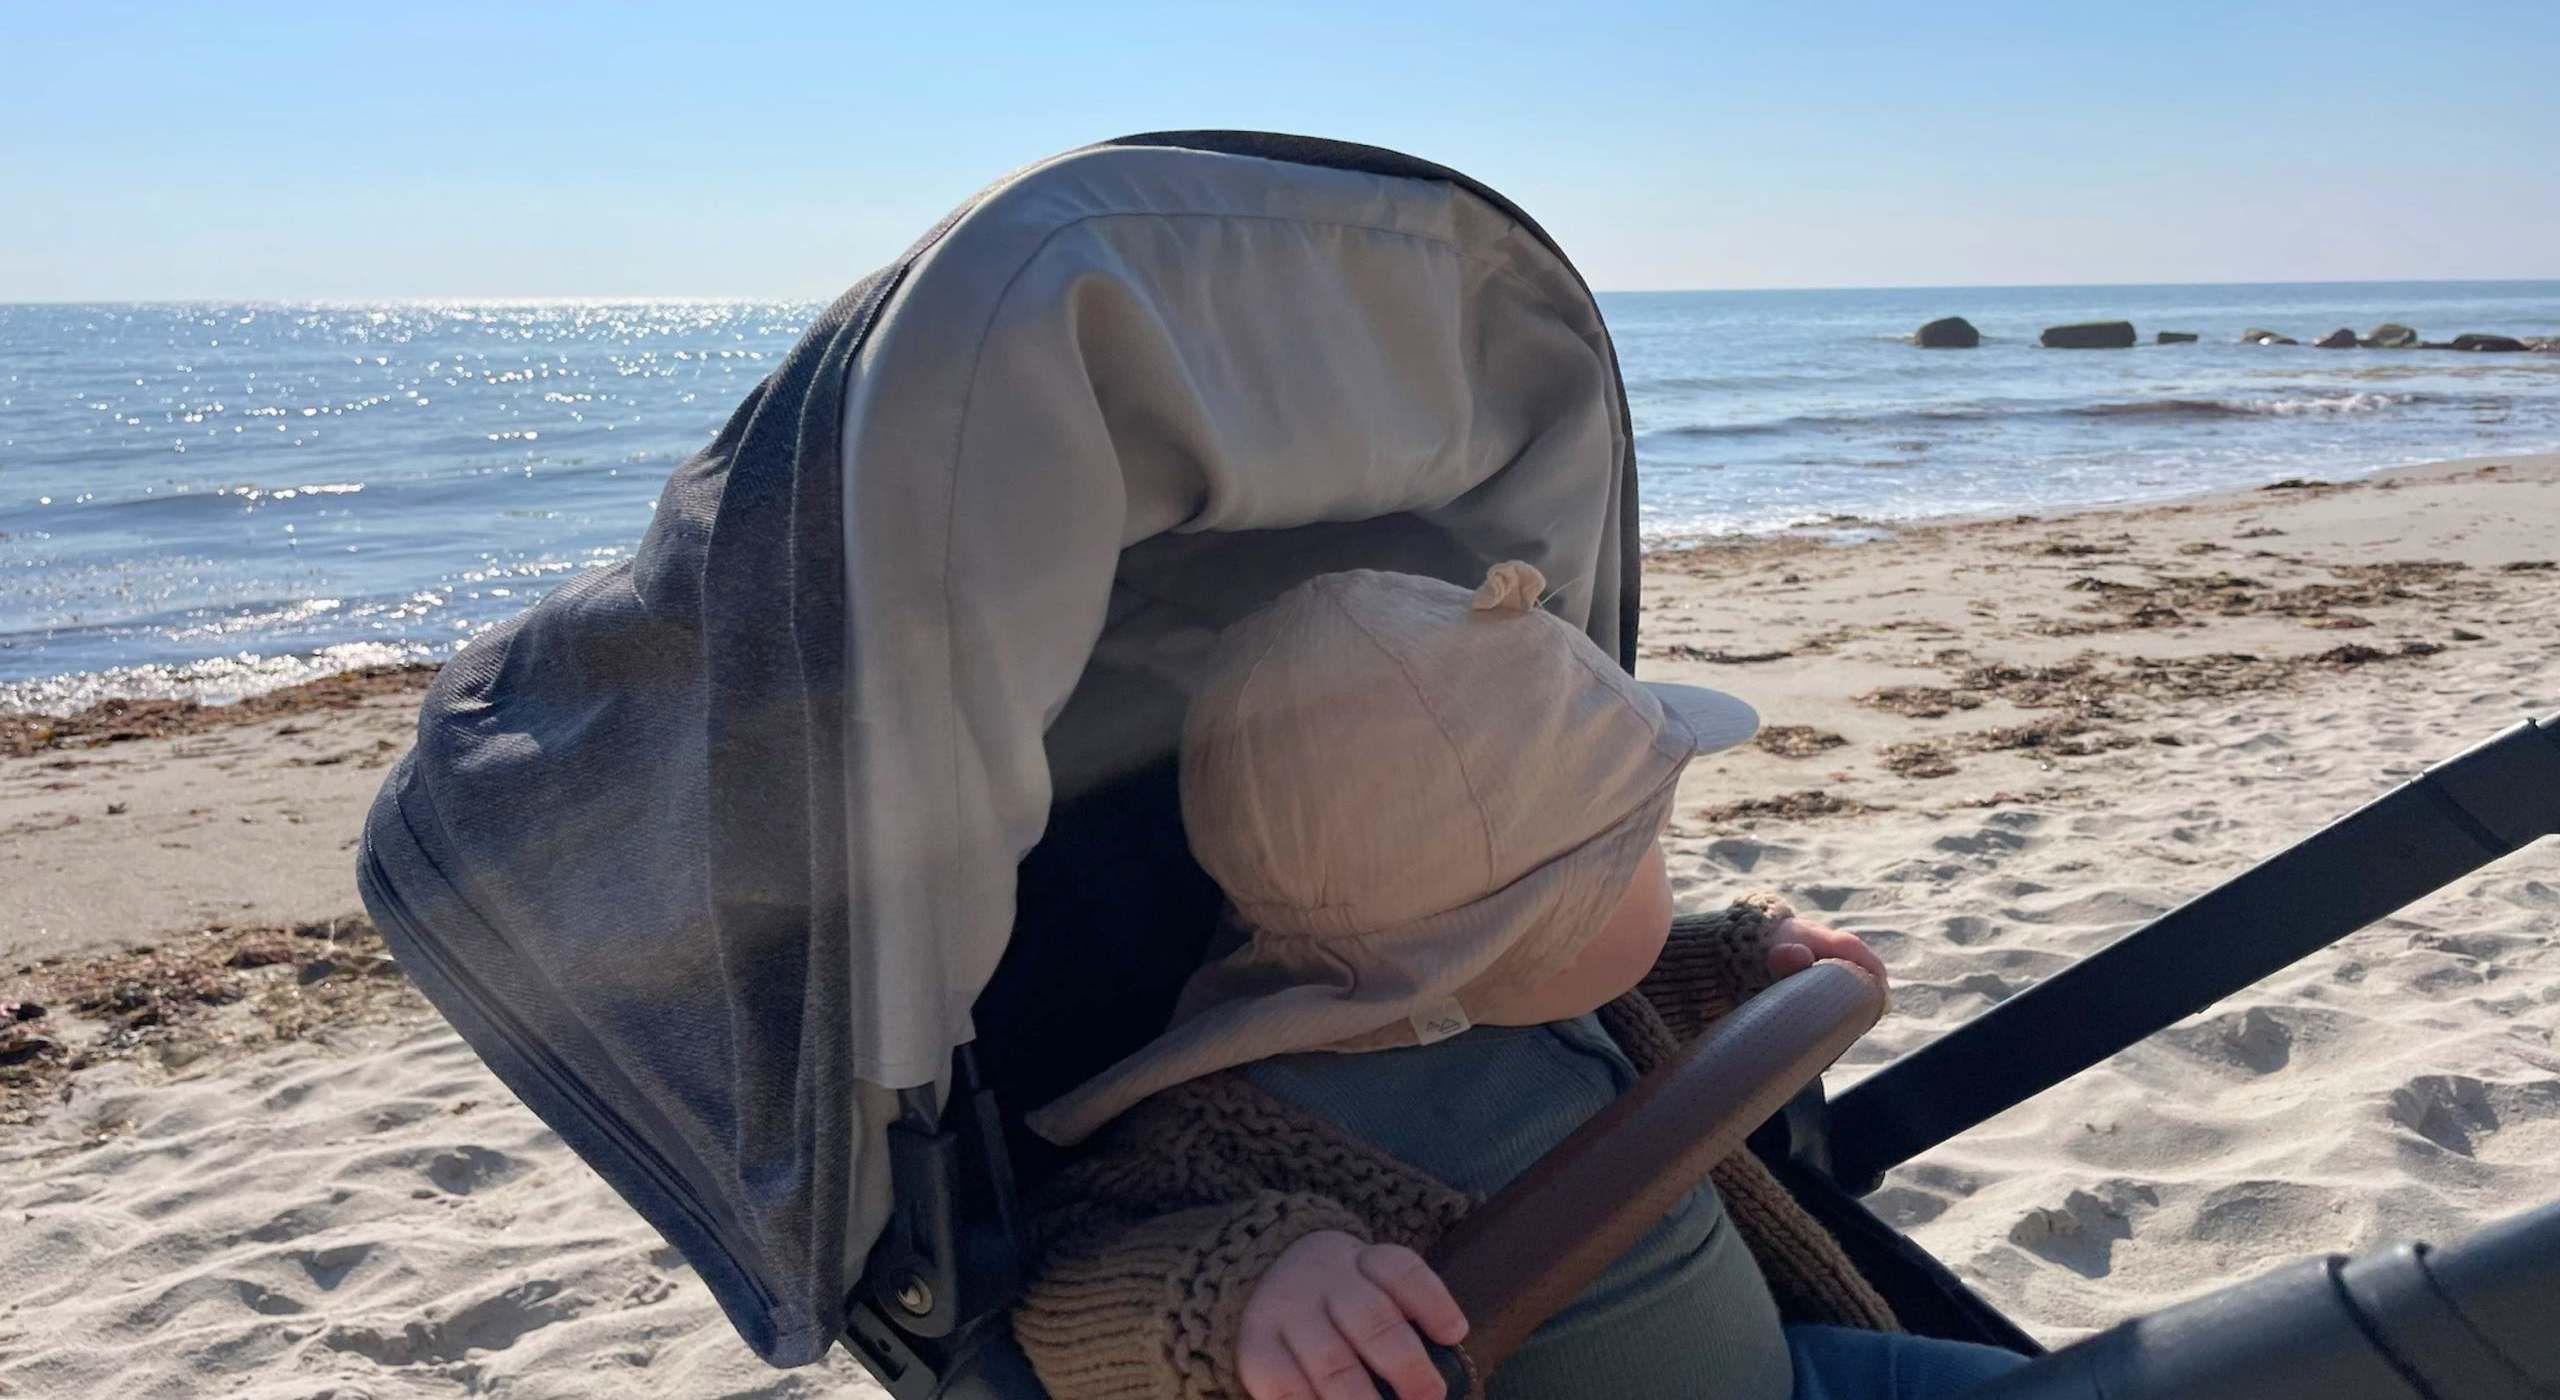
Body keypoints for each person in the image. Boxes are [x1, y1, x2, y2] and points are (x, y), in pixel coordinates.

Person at [1012, 562, 2027, 1400]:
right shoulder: (1236, 1118)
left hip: (1801, 1371)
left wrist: (1742, 959)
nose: (1669, 863)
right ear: (1527, 920)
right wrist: (1242, 1285)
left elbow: (1630, 979)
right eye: (1645, 846)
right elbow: (1064, 1278)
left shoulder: (1532, 985)